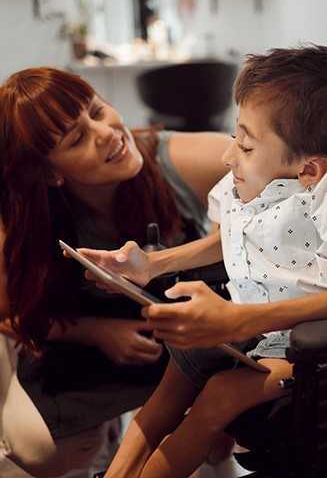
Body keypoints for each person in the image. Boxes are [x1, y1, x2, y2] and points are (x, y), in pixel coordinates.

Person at [81, 43, 327, 478]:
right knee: (171, 384)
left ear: (309, 169)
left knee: (218, 395)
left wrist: (242, 320)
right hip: (248, 326)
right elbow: (225, 237)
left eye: (246, 146)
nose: (229, 155)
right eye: (236, 135)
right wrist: (152, 264)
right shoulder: (244, 181)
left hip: (308, 340)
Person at [0, 66, 231, 477]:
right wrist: (96, 332)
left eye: (97, 111)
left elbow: (280, 164)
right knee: (37, 451)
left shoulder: (177, 159)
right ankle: (100, 438)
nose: (106, 132)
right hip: (86, 348)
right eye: (78, 138)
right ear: (51, 173)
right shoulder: (25, 221)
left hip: (185, 342)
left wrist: (229, 223)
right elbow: (9, 313)